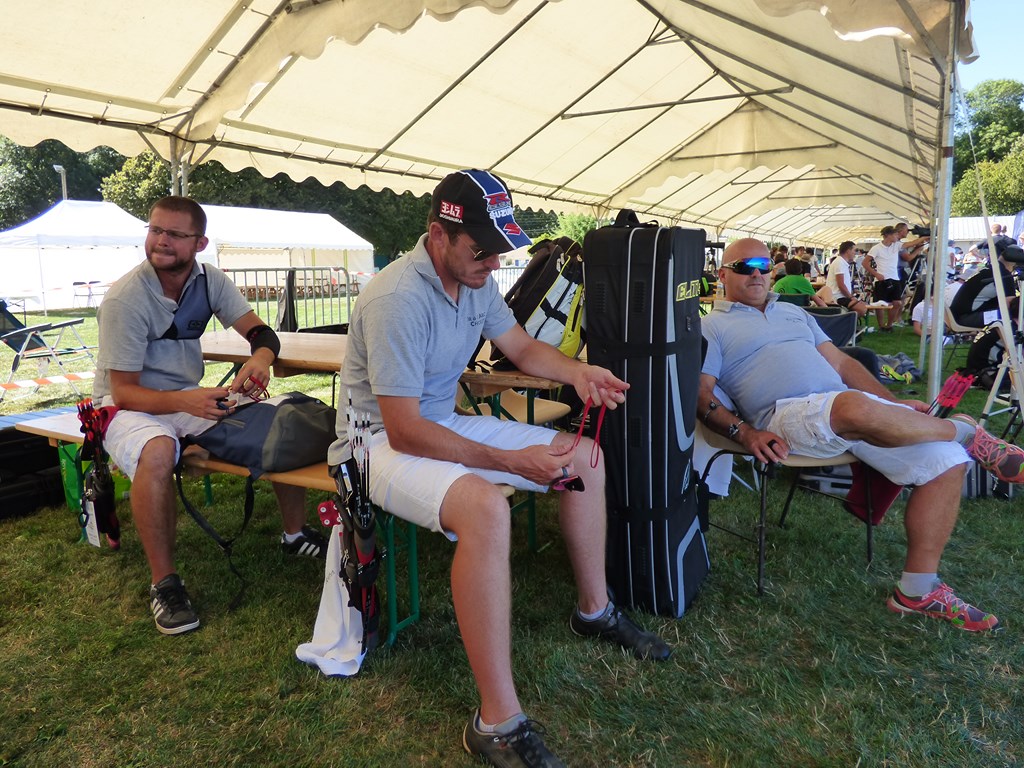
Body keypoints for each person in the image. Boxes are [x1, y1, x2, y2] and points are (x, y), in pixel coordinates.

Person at [327, 169, 670, 767]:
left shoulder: (475, 279)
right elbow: (404, 430)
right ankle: (497, 721)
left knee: (584, 455)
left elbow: (522, 347)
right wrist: (510, 463)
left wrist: (578, 372)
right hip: (372, 443)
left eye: (499, 249)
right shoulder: (396, 298)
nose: (494, 262)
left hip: (437, 421)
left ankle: (594, 611)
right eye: (481, 250)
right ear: (438, 234)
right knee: (486, 508)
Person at [699, 238, 1024, 633]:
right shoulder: (711, 326)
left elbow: (841, 364)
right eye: (744, 266)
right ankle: (967, 433)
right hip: (785, 418)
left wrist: (895, 405)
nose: (756, 274)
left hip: (846, 411)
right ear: (722, 274)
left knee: (947, 462)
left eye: (764, 266)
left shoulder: (793, 312)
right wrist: (745, 432)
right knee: (852, 404)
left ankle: (917, 591)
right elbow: (701, 393)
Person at [95, 196, 327, 637]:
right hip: (125, 406)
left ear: (199, 243)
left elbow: (262, 333)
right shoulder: (125, 298)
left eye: (174, 234)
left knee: (281, 422)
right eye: (155, 230)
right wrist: (186, 402)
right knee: (158, 451)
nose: (161, 241)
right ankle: (165, 584)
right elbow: (123, 392)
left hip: (188, 399)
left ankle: (294, 535)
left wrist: (259, 359)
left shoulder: (210, 280)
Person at [949, 237, 1022, 329]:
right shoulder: (1003, 275)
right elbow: (1011, 306)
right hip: (965, 318)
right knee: (1014, 316)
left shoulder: (990, 268)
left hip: (957, 316)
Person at [862, 226, 904, 331]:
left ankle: (889, 325)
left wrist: (923, 239)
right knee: (880, 304)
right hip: (881, 280)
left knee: (897, 303)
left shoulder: (896, 245)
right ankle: (881, 326)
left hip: (895, 278)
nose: (897, 236)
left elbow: (911, 244)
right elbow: (865, 263)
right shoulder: (876, 248)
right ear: (888, 235)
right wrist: (876, 274)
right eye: (895, 234)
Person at [824, 241, 868, 318]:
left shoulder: (841, 262)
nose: (855, 253)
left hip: (840, 296)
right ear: (848, 251)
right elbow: (841, 285)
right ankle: (844, 321)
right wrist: (851, 297)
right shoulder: (839, 263)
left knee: (863, 306)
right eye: (854, 250)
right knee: (862, 308)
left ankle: (846, 320)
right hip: (837, 297)